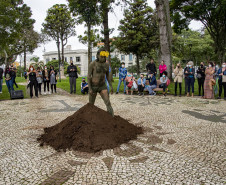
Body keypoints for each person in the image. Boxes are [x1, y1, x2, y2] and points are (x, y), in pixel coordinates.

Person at [87, 48, 114, 116]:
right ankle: (89, 118)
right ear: (97, 56)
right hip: (93, 86)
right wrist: (90, 88)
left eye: (104, 57)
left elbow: (108, 76)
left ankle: (111, 118)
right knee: (91, 104)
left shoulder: (107, 65)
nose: (103, 58)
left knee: (108, 102)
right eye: (101, 56)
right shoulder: (92, 64)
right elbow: (88, 76)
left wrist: (111, 86)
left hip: (102, 86)